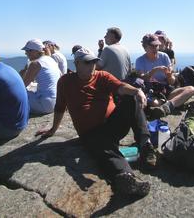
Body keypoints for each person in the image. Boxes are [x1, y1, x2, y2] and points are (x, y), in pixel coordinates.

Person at [36, 47, 156, 197]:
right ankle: (126, 179)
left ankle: (145, 147)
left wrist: (137, 91)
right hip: (91, 133)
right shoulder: (65, 82)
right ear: (77, 63)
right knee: (106, 150)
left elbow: (121, 87)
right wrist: (52, 130)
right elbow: (60, 107)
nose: (92, 65)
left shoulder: (102, 76)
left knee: (131, 98)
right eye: (88, 62)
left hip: (112, 125)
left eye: (94, 61)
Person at [135, 34, 194, 116]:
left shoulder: (164, 56)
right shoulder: (140, 60)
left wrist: (169, 75)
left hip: (166, 90)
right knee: (154, 103)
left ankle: (167, 106)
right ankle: (173, 103)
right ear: (145, 47)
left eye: (157, 46)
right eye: (152, 46)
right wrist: (154, 70)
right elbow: (142, 78)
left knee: (191, 89)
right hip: (151, 91)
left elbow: (172, 82)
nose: (155, 48)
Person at [21, 39, 61, 114]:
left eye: (28, 50)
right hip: (56, 102)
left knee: (15, 93)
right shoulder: (50, 59)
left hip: (45, 104)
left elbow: (22, 86)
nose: (26, 53)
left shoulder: (35, 64)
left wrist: (25, 69)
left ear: (35, 51)